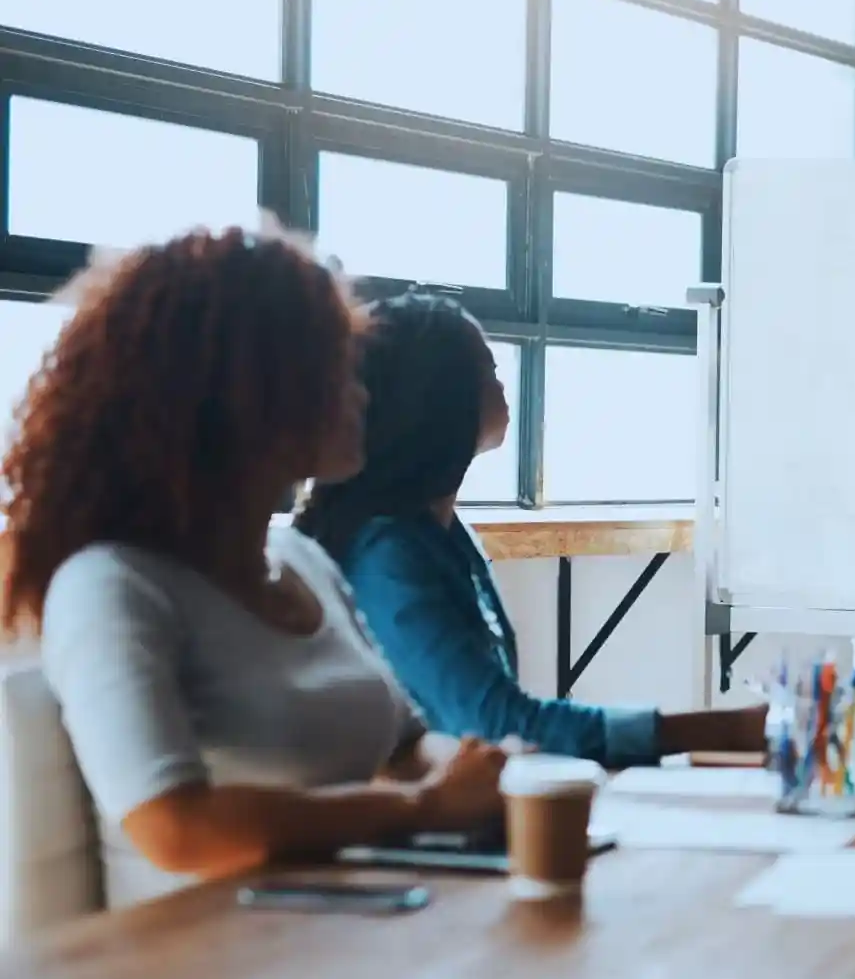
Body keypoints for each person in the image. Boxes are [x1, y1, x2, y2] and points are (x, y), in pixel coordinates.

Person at [0, 226, 508, 908]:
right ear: (241, 394)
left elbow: (408, 749)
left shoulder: (303, 562)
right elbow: (179, 829)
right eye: (336, 369)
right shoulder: (112, 587)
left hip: (357, 932)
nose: (362, 395)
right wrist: (423, 808)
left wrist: (491, 780)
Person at [296, 292, 766, 767]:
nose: (503, 386)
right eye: (488, 373)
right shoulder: (388, 553)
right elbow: (496, 726)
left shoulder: (441, 531)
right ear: (441, 399)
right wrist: (728, 728)